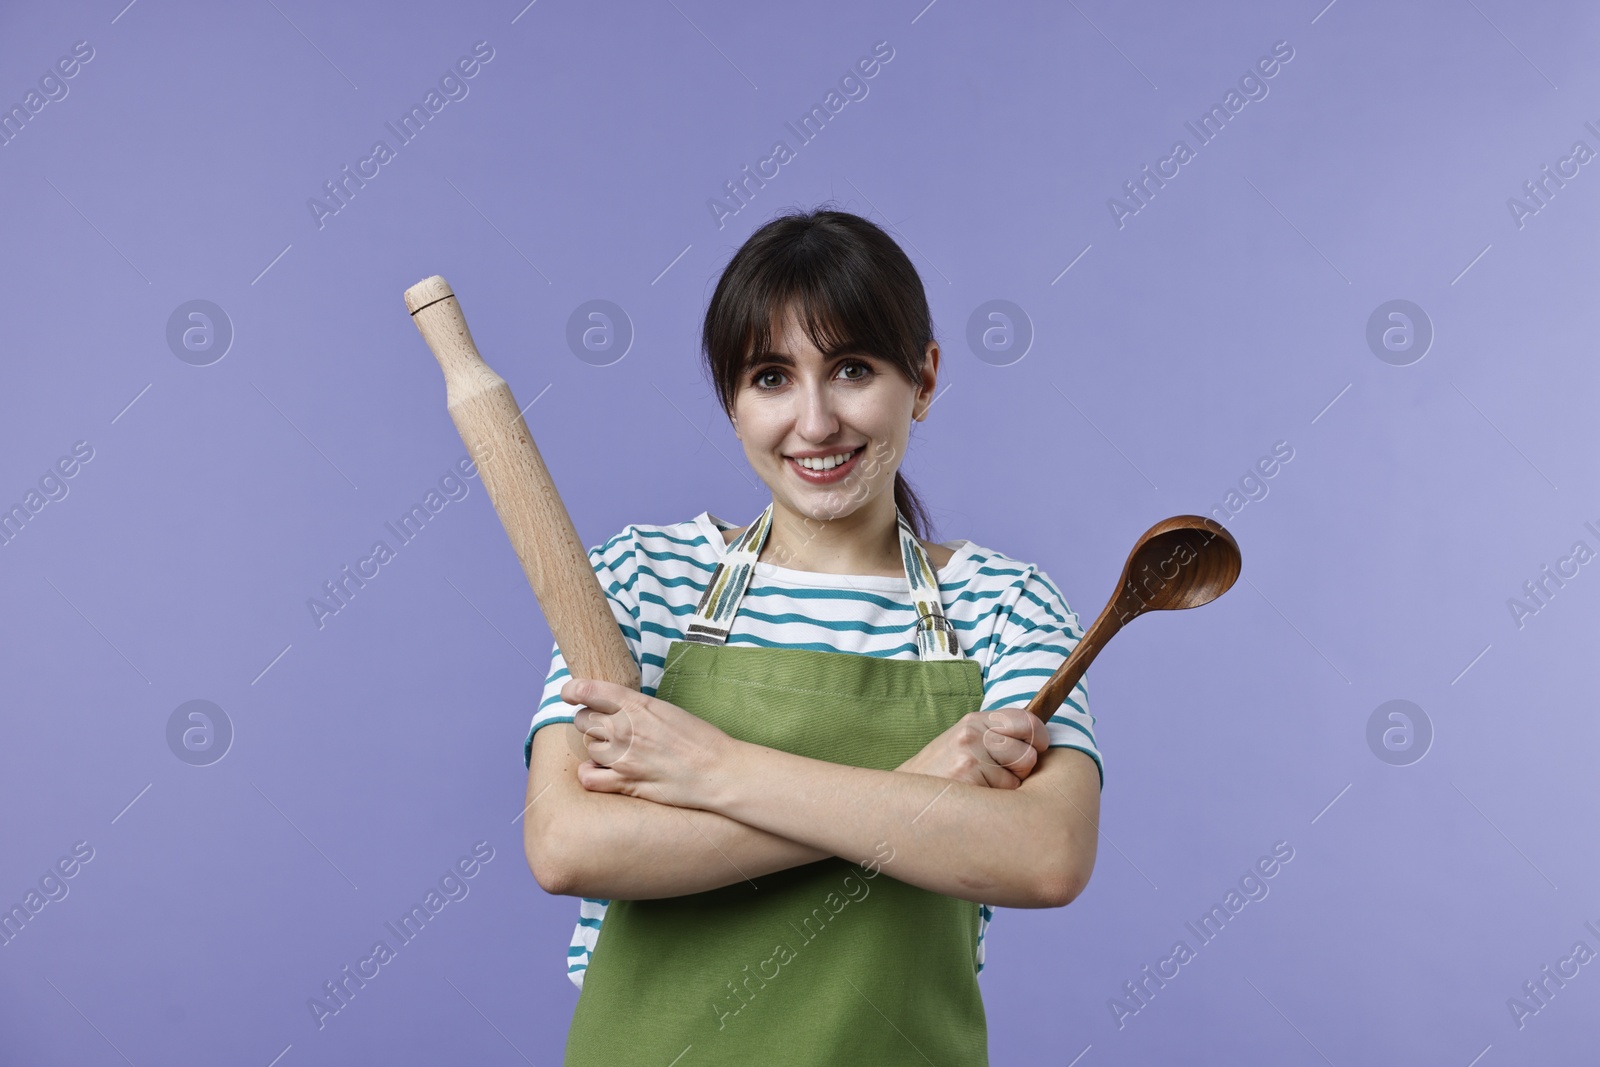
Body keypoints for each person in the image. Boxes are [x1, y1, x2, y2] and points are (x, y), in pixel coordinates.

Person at [522, 207, 1103, 1065]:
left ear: (926, 378)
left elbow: (1046, 854)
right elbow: (568, 843)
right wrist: (914, 792)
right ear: (731, 400)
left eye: (853, 368)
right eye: (770, 377)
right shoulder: (640, 578)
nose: (817, 420)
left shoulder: (1004, 604)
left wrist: (717, 771)